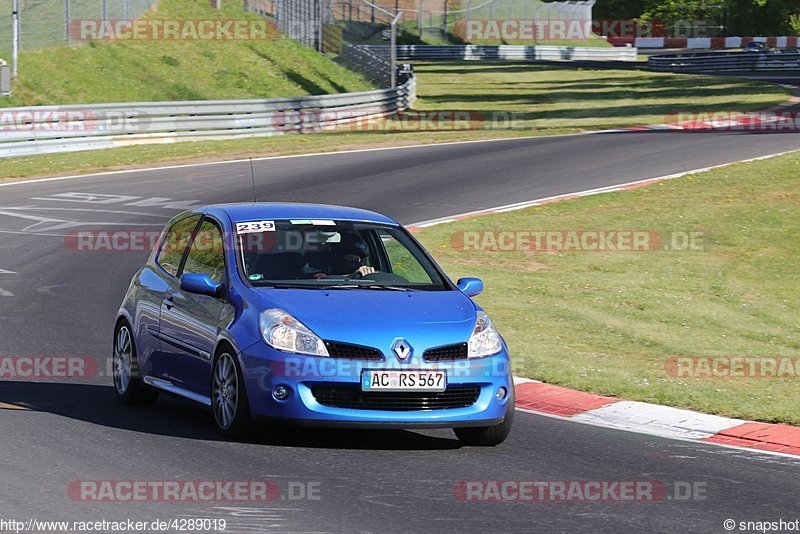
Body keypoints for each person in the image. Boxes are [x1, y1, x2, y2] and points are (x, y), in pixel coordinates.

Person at [306, 232, 375, 279]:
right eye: (349, 258)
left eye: (356, 260)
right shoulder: (316, 272)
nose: (352, 263)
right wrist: (326, 278)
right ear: (337, 258)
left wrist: (367, 274)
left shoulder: (361, 279)